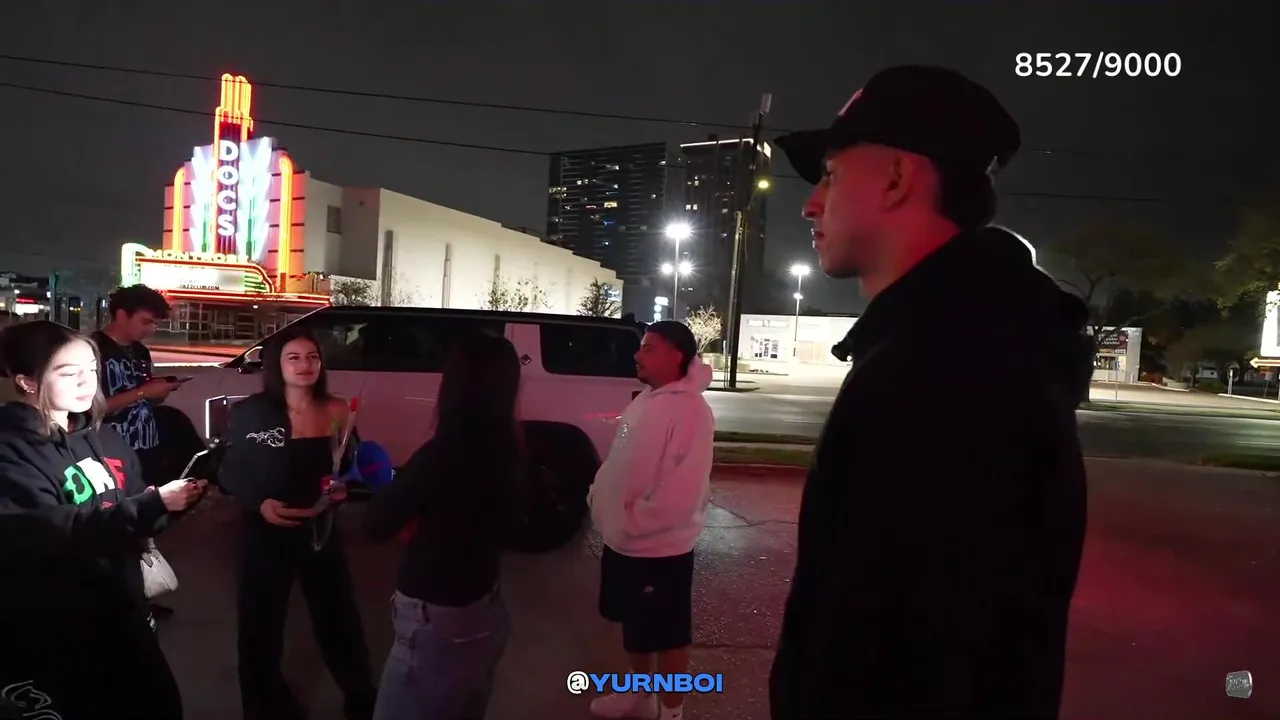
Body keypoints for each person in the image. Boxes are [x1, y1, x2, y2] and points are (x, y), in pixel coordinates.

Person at [767, 65, 1094, 718]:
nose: (810, 203)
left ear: (896, 178)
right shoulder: (970, 344)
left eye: (830, 175)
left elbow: (905, 661)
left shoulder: (939, 375)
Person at [0, 320, 207, 719]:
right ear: (27, 381)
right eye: (68, 372)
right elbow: (55, 529)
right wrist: (148, 506)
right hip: (56, 624)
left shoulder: (105, 437)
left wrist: (172, 505)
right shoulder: (11, 450)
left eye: (92, 369)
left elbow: (136, 513)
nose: (87, 382)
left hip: (123, 608)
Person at [363, 331, 528, 720]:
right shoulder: (510, 448)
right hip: (485, 612)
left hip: (436, 625)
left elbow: (376, 524)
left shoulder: (440, 455)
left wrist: (398, 497)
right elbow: (511, 524)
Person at [218, 325, 377, 720]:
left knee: (339, 616)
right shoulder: (251, 412)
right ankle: (265, 703)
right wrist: (259, 503)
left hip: (320, 530)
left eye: (312, 357)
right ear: (277, 365)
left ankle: (360, 695)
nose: (305, 365)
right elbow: (230, 471)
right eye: (294, 358)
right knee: (260, 623)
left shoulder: (338, 410)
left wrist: (345, 488)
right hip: (265, 530)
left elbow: (347, 462)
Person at [586, 320, 715, 720]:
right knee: (635, 625)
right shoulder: (647, 400)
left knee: (669, 634)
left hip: (659, 548)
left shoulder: (691, 410)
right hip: (624, 540)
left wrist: (634, 521)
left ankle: (671, 711)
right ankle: (640, 695)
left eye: (649, 348)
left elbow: (683, 488)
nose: (637, 355)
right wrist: (601, 499)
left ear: (677, 355)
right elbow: (620, 460)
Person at [91, 284, 183, 622]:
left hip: (144, 446)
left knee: (142, 527)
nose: (151, 329)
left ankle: (139, 594)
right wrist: (143, 392)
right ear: (121, 314)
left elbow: (140, 397)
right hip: (107, 451)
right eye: (146, 321)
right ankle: (114, 601)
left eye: (155, 323)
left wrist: (156, 394)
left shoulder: (140, 352)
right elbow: (93, 408)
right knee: (113, 525)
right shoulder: (93, 351)